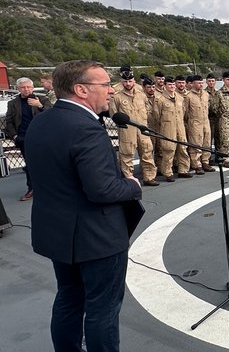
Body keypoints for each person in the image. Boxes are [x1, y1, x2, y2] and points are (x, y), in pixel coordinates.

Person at [25, 60, 143, 352]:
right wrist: (133, 185)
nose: (111, 91)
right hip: (96, 238)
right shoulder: (87, 129)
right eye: (104, 85)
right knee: (103, 309)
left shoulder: (42, 120)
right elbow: (102, 189)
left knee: (68, 298)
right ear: (81, 89)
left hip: (57, 233)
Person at [3, 77, 52, 201]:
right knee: (30, 165)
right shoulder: (13, 103)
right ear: (18, 89)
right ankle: (32, 189)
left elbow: (52, 115)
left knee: (48, 163)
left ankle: (50, 188)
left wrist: (39, 105)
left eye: (28, 87)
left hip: (42, 137)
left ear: (32, 88)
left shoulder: (42, 99)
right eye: (23, 87)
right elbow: (9, 121)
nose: (26, 90)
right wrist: (14, 136)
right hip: (24, 138)